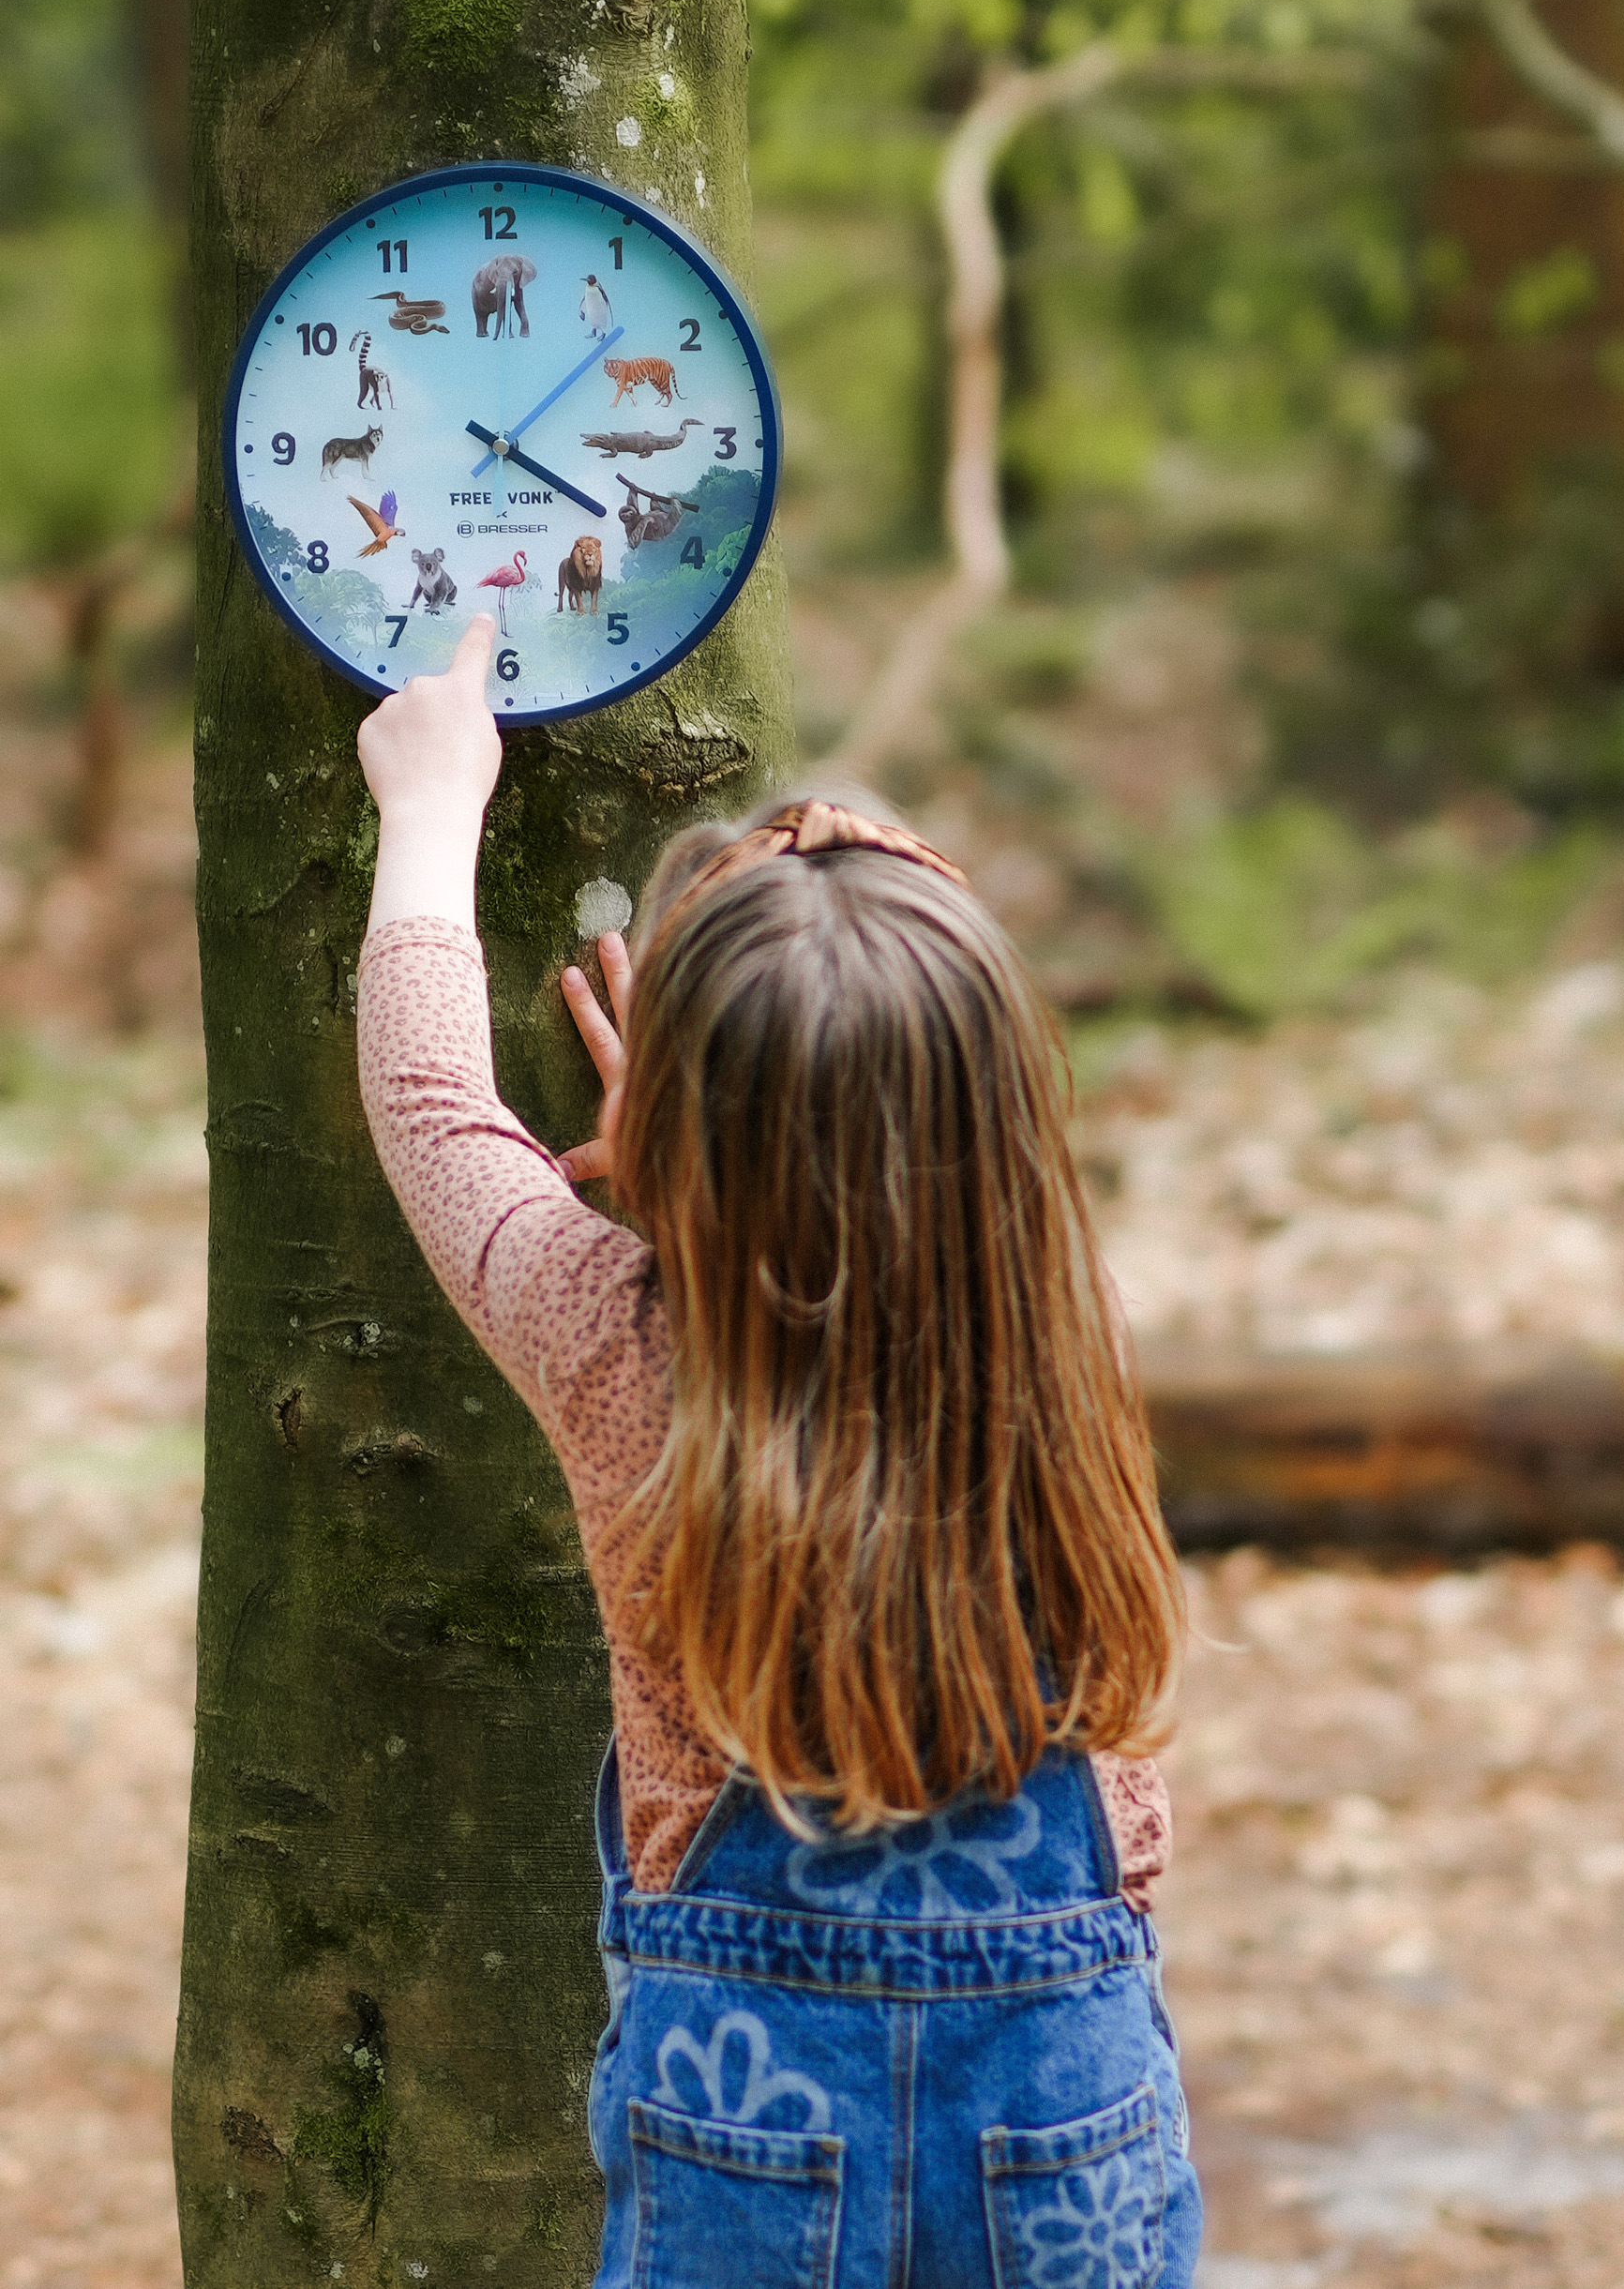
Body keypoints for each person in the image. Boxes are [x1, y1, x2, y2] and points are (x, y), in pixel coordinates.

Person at [354, 617, 1201, 2288]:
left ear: (678, 1127)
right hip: (1069, 2119)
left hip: (739, 2122)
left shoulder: (613, 1339)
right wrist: (718, 1144)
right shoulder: (1063, 1322)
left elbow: (437, 1104)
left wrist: (434, 808)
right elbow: (913, 1186)